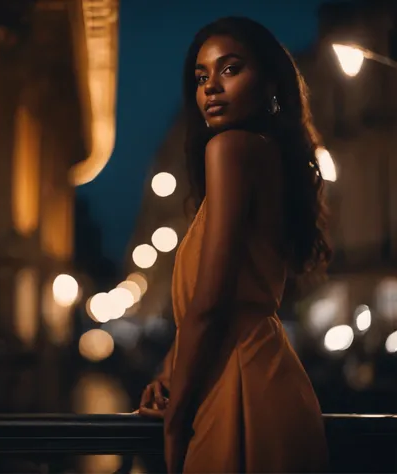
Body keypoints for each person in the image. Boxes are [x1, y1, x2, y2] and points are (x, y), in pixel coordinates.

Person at [139, 16, 332, 474]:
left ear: (269, 82)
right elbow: (216, 306)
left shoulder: (229, 150)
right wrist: (170, 369)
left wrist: (175, 418)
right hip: (270, 384)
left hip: (237, 391)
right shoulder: (271, 156)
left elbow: (211, 302)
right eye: (202, 77)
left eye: (230, 69)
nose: (211, 88)